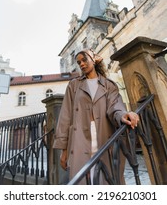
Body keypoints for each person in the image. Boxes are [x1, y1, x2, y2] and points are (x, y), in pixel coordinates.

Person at [53, 48, 139, 184]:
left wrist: (124, 115)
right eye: (78, 62)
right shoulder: (74, 85)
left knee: (106, 179)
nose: (81, 64)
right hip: (79, 140)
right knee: (84, 180)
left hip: (104, 136)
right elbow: (65, 116)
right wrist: (64, 151)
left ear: (93, 60)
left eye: (84, 60)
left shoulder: (109, 85)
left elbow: (115, 106)